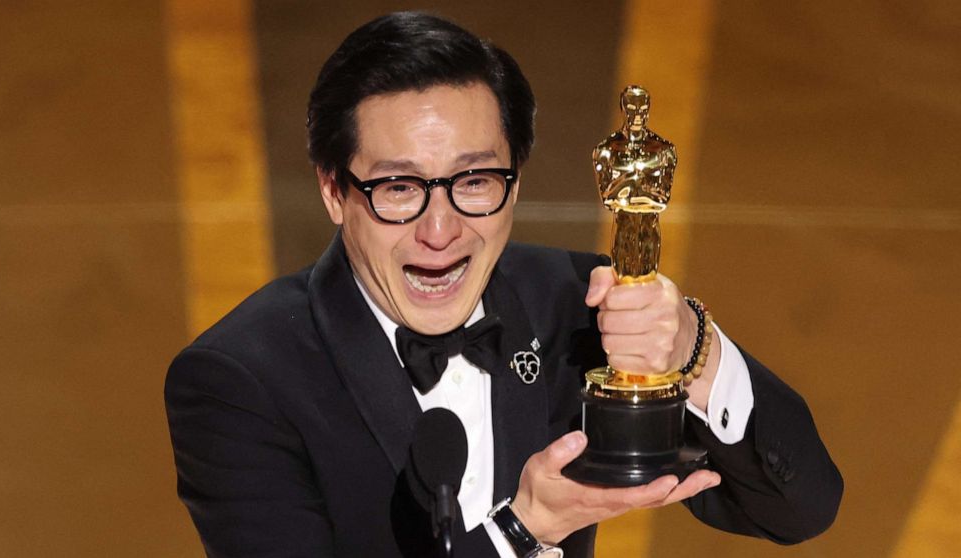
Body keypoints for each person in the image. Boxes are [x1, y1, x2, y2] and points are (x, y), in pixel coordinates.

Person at [165, 11, 842, 558]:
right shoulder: (239, 381)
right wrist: (523, 532)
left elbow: (798, 508)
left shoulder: (573, 305)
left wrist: (695, 350)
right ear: (334, 191)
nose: (441, 229)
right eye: (399, 188)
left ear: (515, 183)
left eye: (474, 182)